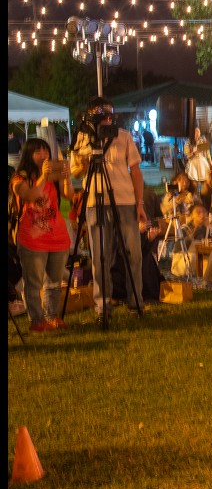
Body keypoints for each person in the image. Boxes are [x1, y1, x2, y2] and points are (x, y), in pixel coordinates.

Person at [69, 97, 148, 323]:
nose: (108, 119)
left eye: (111, 115)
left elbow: (136, 172)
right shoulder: (82, 138)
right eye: (103, 115)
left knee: (133, 253)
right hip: (95, 201)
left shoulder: (123, 136)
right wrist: (86, 159)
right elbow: (75, 172)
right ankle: (102, 306)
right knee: (100, 257)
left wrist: (140, 204)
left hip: (124, 201)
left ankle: (136, 302)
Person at [11, 138, 74, 331]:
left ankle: (52, 316)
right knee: (33, 282)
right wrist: (44, 177)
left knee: (54, 281)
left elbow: (68, 195)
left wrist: (66, 177)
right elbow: (31, 196)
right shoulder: (18, 178)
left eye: (45, 151)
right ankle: (36, 320)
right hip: (32, 239)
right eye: (37, 151)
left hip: (57, 236)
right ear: (29, 155)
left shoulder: (52, 175)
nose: (43, 155)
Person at [185, 126, 212, 194]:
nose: (197, 133)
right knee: (194, 179)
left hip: (202, 161)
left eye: (198, 131)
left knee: (205, 178)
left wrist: (210, 162)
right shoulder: (188, 142)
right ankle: (196, 191)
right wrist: (193, 152)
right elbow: (187, 156)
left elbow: (207, 152)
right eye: (195, 132)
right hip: (193, 162)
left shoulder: (203, 139)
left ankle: (202, 191)